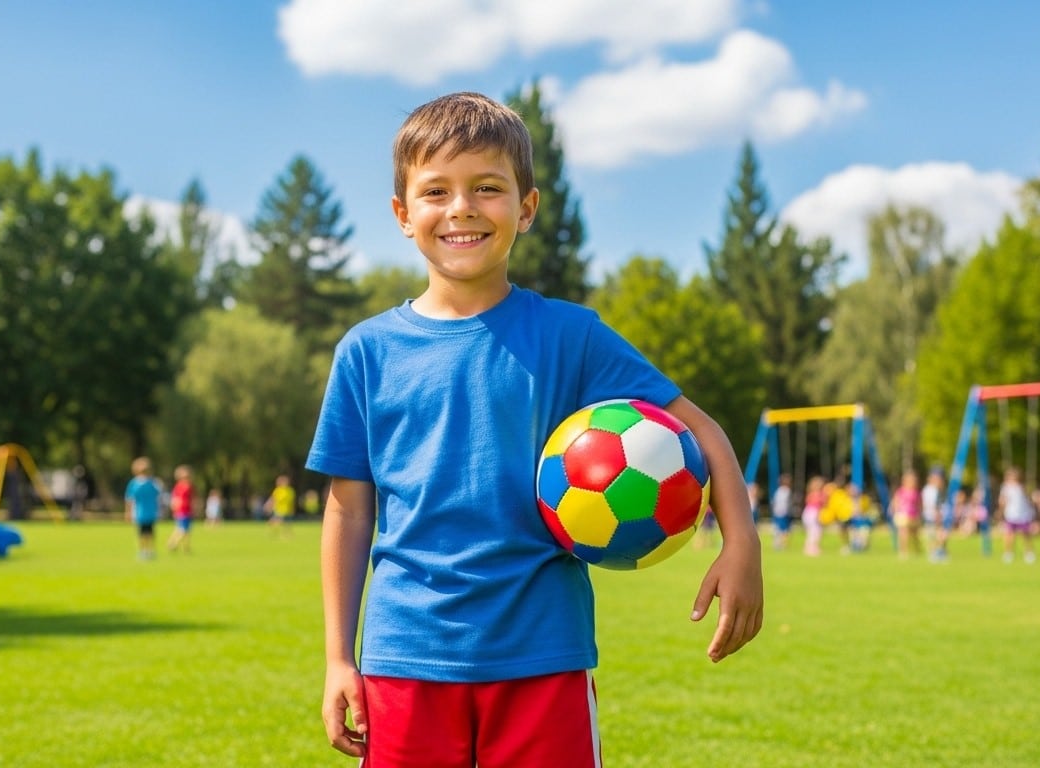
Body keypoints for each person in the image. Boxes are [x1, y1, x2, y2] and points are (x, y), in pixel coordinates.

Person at [309, 92, 763, 766]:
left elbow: (702, 432)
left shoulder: (572, 336)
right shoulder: (366, 353)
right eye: (436, 191)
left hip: (544, 654)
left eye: (487, 188)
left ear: (526, 208)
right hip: (404, 657)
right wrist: (338, 658)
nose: (461, 207)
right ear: (403, 214)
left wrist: (742, 542)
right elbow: (349, 511)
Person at [997, 467, 1037, 563]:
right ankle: (1008, 553)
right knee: (1009, 534)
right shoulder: (1005, 488)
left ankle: (1029, 553)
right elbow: (1002, 500)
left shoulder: (1022, 487)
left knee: (1026, 534)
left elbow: (1029, 499)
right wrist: (1000, 510)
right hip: (1011, 514)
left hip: (1023, 514)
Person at [124, 457, 161, 561]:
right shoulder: (135, 484)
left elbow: (157, 496)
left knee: (149, 533)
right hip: (139, 513)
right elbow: (129, 499)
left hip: (150, 513)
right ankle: (142, 551)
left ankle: (149, 551)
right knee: (142, 533)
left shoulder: (152, 483)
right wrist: (128, 512)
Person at [889, 469, 923, 559]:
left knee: (914, 535)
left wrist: (920, 513)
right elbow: (895, 501)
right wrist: (895, 510)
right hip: (902, 515)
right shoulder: (901, 491)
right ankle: (903, 551)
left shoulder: (916, 492)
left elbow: (919, 504)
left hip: (913, 515)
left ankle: (917, 550)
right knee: (903, 533)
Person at [166, 465, 194, 553]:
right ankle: (172, 543)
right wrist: (175, 508)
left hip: (187, 511)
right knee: (182, 529)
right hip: (182, 511)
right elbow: (176, 499)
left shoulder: (188, 487)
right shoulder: (181, 487)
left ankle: (186, 547)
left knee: (186, 530)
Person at [263, 474, 296, 538]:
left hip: (288, 510)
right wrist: (268, 506)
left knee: (287, 523)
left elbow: (292, 501)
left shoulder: (290, 491)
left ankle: (286, 534)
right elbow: (273, 499)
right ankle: (274, 528)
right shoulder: (278, 490)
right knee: (279, 521)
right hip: (279, 509)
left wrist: (292, 509)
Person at [801, 476, 826, 557]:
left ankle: (811, 547)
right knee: (815, 532)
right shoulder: (818, 494)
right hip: (813, 513)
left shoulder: (810, 494)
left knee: (812, 532)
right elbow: (823, 502)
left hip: (808, 513)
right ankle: (811, 548)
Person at [770, 474, 793, 550]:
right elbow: (788, 503)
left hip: (777, 512)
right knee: (784, 529)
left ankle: (777, 542)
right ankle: (782, 543)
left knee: (778, 528)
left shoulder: (778, 491)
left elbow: (774, 502)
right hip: (784, 512)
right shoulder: (787, 491)